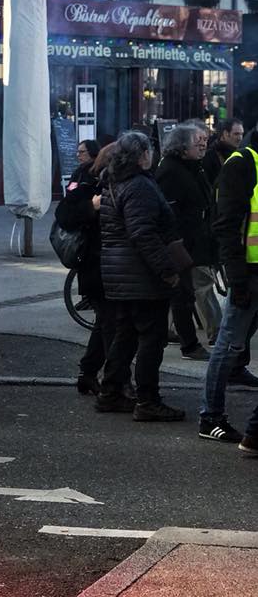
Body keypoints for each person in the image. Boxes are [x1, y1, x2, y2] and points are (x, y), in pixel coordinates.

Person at [97, 130, 185, 421]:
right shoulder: (138, 186)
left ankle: (111, 392)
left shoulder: (114, 180)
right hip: (140, 275)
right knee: (151, 337)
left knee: (126, 334)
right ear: (143, 155)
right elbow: (143, 234)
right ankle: (147, 400)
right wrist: (167, 270)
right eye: (150, 151)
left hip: (119, 272)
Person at [199, 118, 258, 446]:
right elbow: (225, 226)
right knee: (227, 346)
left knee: (231, 344)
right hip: (248, 275)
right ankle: (210, 417)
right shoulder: (243, 163)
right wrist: (237, 278)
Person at [55, 143, 120, 396]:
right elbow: (64, 214)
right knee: (111, 324)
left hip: (110, 266)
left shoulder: (122, 182)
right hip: (95, 266)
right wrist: (90, 208)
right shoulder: (87, 180)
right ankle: (113, 383)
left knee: (106, 322)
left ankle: (88, 374)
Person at [155, 124, 213, 360]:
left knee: (182, 295)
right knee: (182, 296)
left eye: (203, 139)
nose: (201, 144)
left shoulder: (192, 167)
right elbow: (168, 213)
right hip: (178, 245)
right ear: (181, 146)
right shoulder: (171, 171)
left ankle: (170, 336)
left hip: (190, 243)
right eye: (196, 141)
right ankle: (189, 345)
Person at [202, 118, 244, 187]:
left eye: (241, 134)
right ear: (225, 134)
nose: (240, 138)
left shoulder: (240, 154)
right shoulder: (210, 156)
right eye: (236, 134)